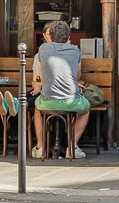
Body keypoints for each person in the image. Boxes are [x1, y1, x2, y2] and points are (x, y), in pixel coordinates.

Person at [31, 20, 88, 160]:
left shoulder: (43, 49)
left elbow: (42, 78)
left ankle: (40, 147)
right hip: (71, 101)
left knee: (38, 108)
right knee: (86, 109)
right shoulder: (76, 50)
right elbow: (77, 76)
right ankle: (72, 147)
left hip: (48, 101)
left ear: (49, 36)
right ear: (69, 38)